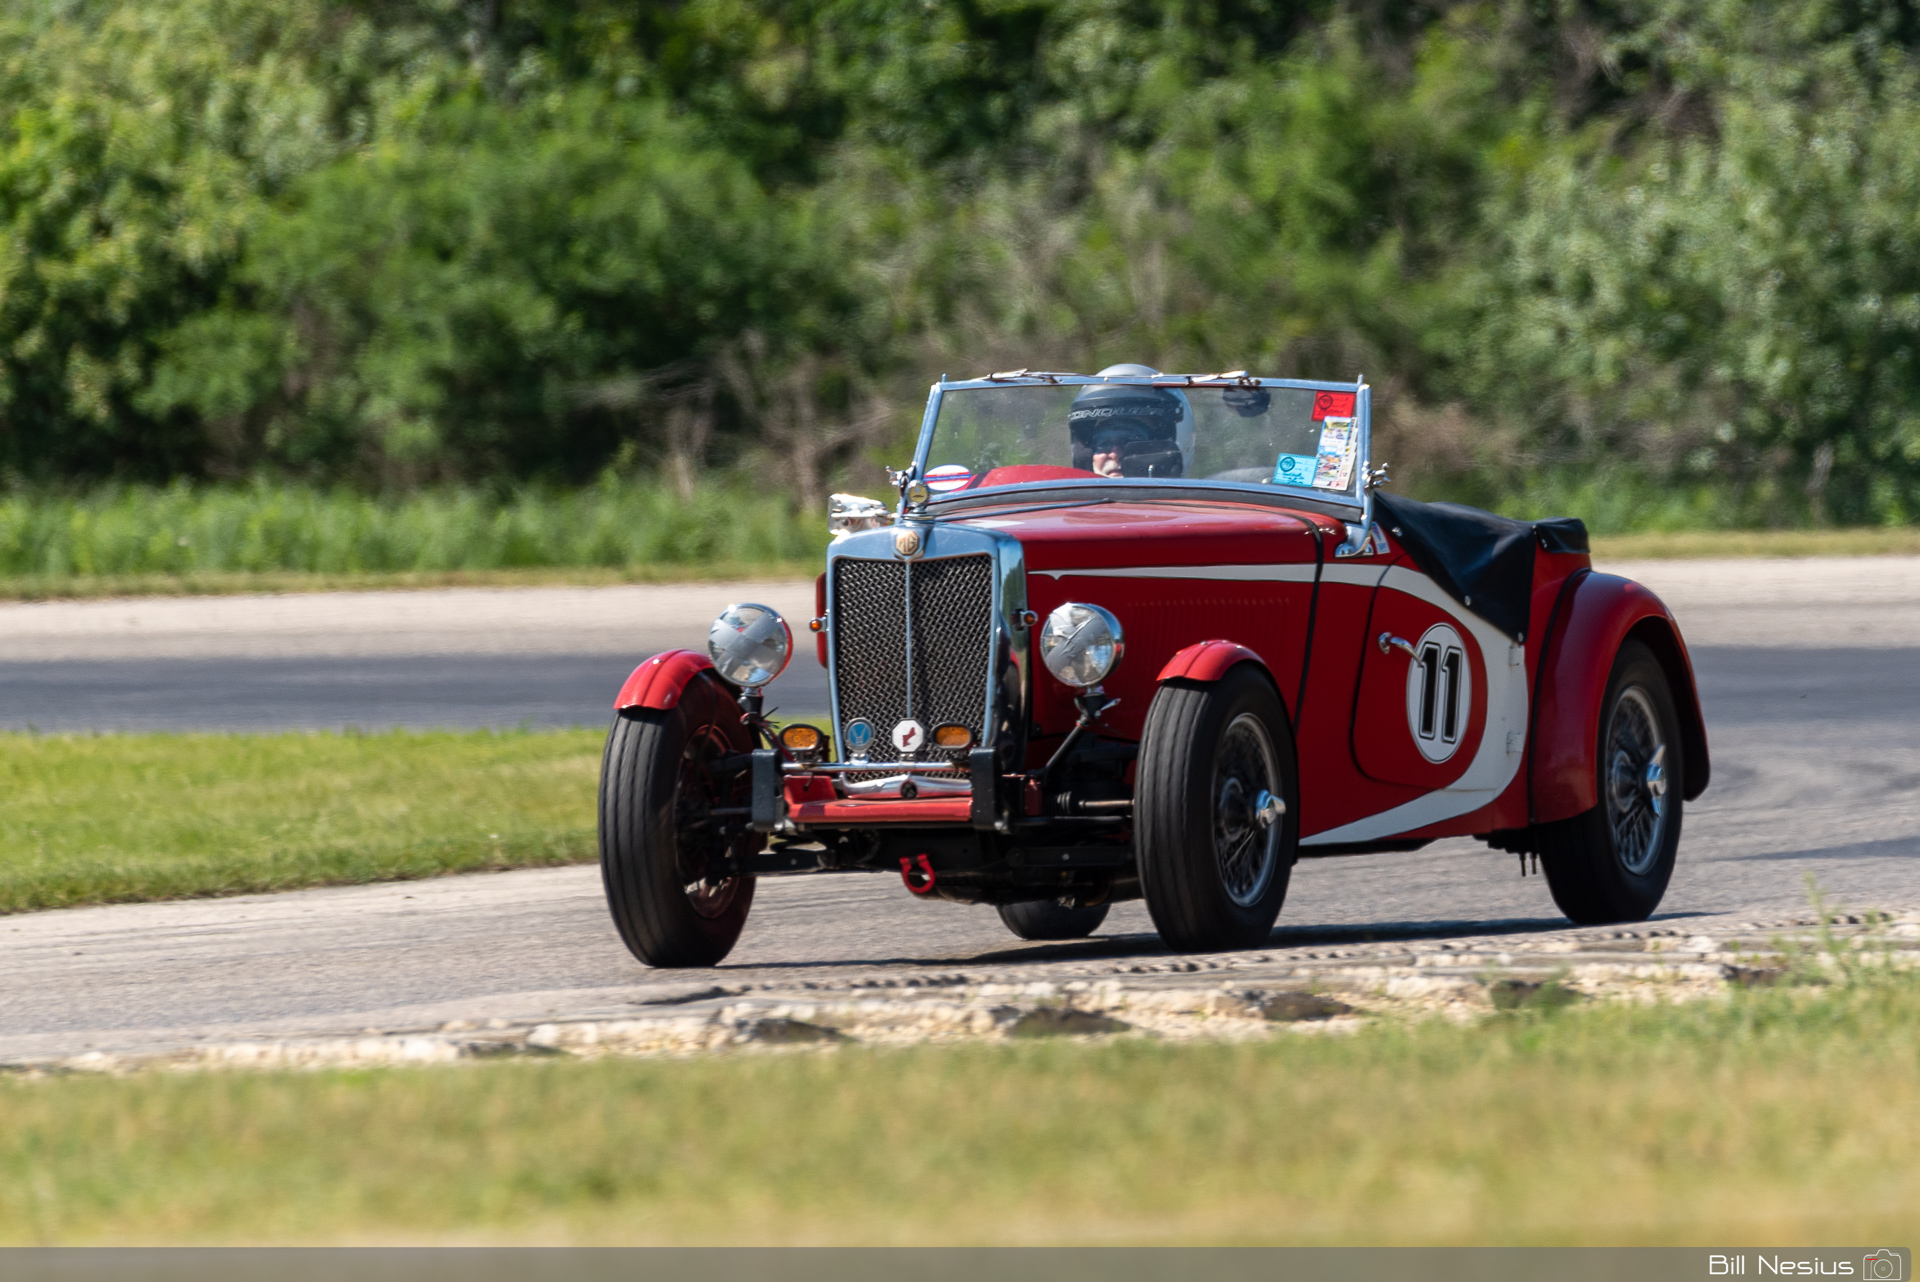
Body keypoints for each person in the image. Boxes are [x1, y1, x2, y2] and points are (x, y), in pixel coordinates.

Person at [1067, 365, 1189, 478]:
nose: (1115, 455)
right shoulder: (1064, 499)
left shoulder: (1198, 499)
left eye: (1128, 442)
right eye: (1103, 445)